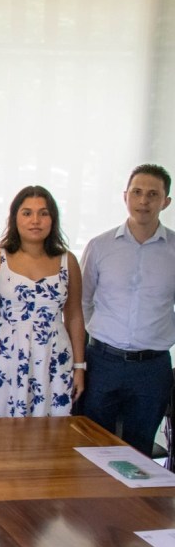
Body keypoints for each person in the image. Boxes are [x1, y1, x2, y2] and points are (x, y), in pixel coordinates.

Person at [79, 164, 174, 457]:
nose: (143, 201)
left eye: (152, 194)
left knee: (139, 453)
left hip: (152, 368)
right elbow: (82, 301)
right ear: (125, 196)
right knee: (92, 446)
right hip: (102, 362)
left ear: (166, 202)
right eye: (137, 192)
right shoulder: (100, 246)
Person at [0, 186, 85, 418]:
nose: (35, 220)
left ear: (53, 219)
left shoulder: (68, 260)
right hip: (7, 355)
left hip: (53, 357)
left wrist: (79, 367)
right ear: (14, 217)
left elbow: (74, 315)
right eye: (27, 213)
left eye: (43, 213)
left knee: (50, 430)